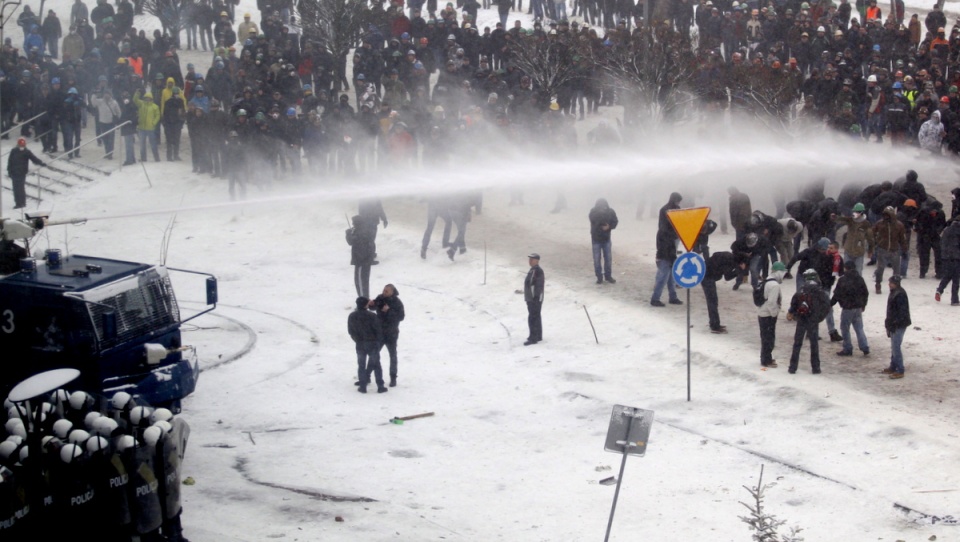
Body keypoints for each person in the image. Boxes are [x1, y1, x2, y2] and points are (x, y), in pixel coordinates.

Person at [786, 269, 830, 374]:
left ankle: (792, 367)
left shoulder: (801, 290)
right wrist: (819, 317)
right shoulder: (819, 291)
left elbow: (794, 303)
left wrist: (794, 313)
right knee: (814, 344)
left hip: (802, 319)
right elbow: (827, 305)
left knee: (797, 343)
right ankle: (816, 368)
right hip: (813, 320)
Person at [348, 296, 387, 393]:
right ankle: (380, 385)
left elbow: (351, 331)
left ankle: (362, 386)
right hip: (372, 343)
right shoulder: (372, 316)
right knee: (376, 364)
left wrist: (357, 340)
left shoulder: (352, 316)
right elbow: (378, 331)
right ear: (366, 305)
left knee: (361, 365)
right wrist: (377, 341)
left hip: (360, 343)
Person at [832, 260, 870, 356]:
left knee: (845, 328)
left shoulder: (843, 280)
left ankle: (847, 348)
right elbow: (865, 293)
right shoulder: (860, 279)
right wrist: (863, 304)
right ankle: (864, 346)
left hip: (847, 308)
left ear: (846, 268)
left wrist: (829, 304)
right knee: (859, 328)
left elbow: (837, 295)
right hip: (858, 307)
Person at [371, 284, 404, 387]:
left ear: (392, 292)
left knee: (393, 356)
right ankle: (367, 375)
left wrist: (389, 311)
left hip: (391, 333)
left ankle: (393, 377)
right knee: (373, 354)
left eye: (386, 291)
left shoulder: (397, 302)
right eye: (384, 290)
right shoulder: (380, 298)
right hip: (380, 332)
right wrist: (371, 304)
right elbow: (373, 307)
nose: (384, 292)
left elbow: (401, 317)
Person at [701, 251, 743, 333]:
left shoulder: (729, 256)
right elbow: (727, 277)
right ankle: (714, 325)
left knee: (712, 302)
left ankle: (714, 323)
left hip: (706, 273)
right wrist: (739, 270)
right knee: (712, 302)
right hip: (707, 277)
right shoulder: (730, 261)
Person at [758, 261, 786, 368]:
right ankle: (766, 360)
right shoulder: (774, 285)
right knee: (769, 338)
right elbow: (771, 302)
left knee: (765, 337)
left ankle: (765, 357)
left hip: (762, 312)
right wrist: (774, 314)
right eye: (782, 272)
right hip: (768, 315)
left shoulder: (766, 280)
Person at [872, 206, 906, 294]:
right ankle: (878, 283)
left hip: (895, 249)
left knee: (896, 270)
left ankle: (896, 286)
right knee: (880, 268)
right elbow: (872, 232)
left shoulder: (899, 225)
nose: (886, 216)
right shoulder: (879, 223)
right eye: (885, 214)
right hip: (882, 249)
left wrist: (904, 249)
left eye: (888, 215)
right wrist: (876, 242)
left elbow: (902, 239)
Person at [833, 202, 874, 273]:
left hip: (859, 253)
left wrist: (870, 250)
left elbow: (870, 239)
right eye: (854, 211)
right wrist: (835, 217)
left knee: (858, 271)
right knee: (846, 271)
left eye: (857, 212)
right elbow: (842, 219)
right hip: (848, 250)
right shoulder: (850, 220)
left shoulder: (866, 224)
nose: (855, 213)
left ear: (862, 213)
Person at [883, 275, 910, 379]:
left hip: (898, 324)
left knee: (896, 346)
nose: (889, 284)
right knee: (894, 346)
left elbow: (900, 312)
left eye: (891, 283)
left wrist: (894, 322)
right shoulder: (896, 292)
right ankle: (893, 366)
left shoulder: (899, 294)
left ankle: (899, 369)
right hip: (895, 323)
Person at [7, 137, 45, 208]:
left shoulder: (27, 152)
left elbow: (34, 158)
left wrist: (41, 163)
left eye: (23, 145)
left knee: (20, 188)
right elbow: (10, 161)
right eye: (20, 145)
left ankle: (22, 203)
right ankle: (18, 203)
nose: (21, 146)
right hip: (14, 172)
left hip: (21, 172)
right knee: (16, 188)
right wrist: (9, 171)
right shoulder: (13, 151)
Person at [589, 198, 619, 284]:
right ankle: (599, 277)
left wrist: (609, 227)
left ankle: (607, 276)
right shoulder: (593, 212)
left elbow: (615, 221)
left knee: (607, 259)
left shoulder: (610, 212)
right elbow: (594, 220)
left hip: (606, 239)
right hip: (596, 239)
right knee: (597, 259)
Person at [345, 215, 376, 298]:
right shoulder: (366, 231)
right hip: (365, 261)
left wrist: (348, 233)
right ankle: (365, 299)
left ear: (357, 223)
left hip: (361, 262)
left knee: (360, 282)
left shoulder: (360, 232)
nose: (352, 224)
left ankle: (363, 302)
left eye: (353, 223)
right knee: (364, 282)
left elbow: (351, 241)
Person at [936, 219, 960, 305]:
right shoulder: (958, 231)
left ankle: (939, 290)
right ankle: (954, 300)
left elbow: (941, 242)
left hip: (946, 257)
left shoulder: (946, 230)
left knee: (947, 276)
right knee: (956, 279)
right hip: (957, 257)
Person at [523, 253, 544, 346]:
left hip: (534, 299)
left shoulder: (536, 271)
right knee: (536, 316)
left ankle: (533, 337)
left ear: (537, 260)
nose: (530, 261)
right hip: (533, 298)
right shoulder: (533, 270)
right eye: (529, 259)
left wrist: (535, 297)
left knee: (533, 317)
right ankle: (538, 335)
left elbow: (537, 285)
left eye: (532, 259)